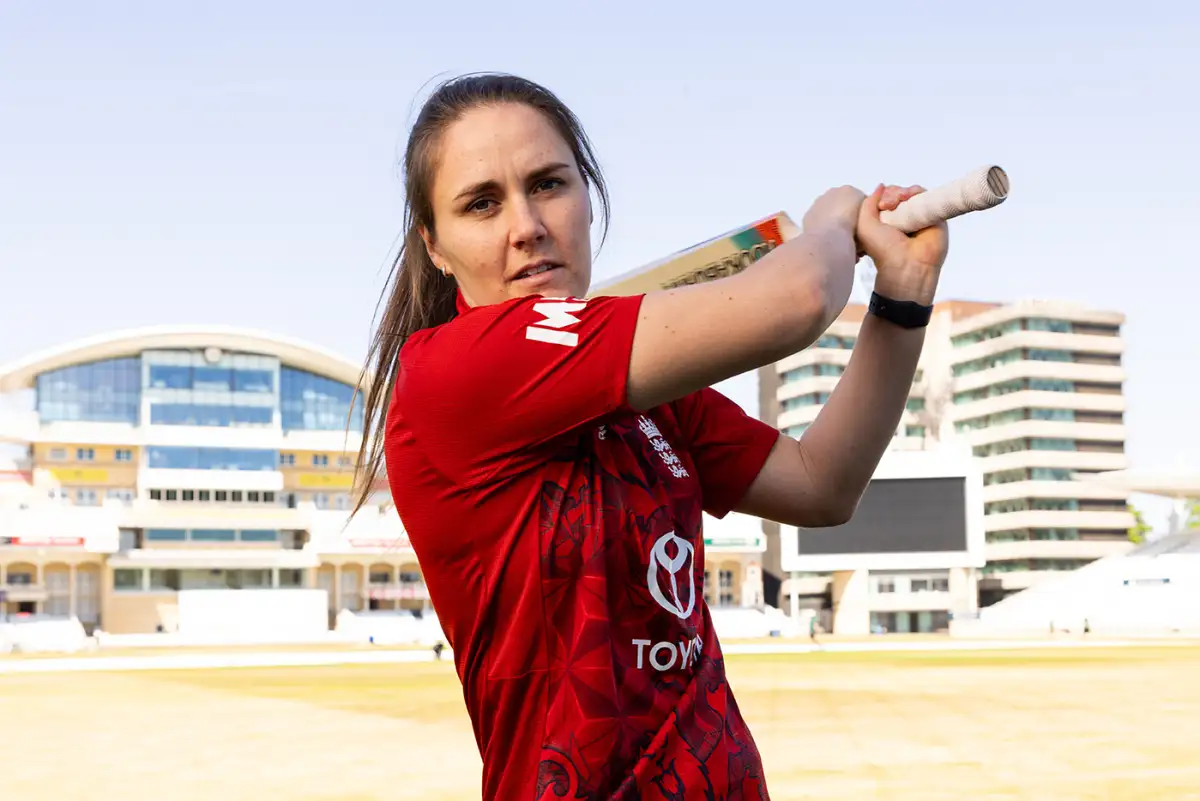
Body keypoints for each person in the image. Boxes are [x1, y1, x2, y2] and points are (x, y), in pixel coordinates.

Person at [353, 72, 949, 800]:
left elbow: (821, 484)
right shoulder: (453, 370)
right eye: (482, 203)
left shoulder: (641, 386)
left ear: (587, 195)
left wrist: (904, 293)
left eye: (548, 184)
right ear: (435, 246)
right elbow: (797, 298)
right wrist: (833, 222)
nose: (526, 226)